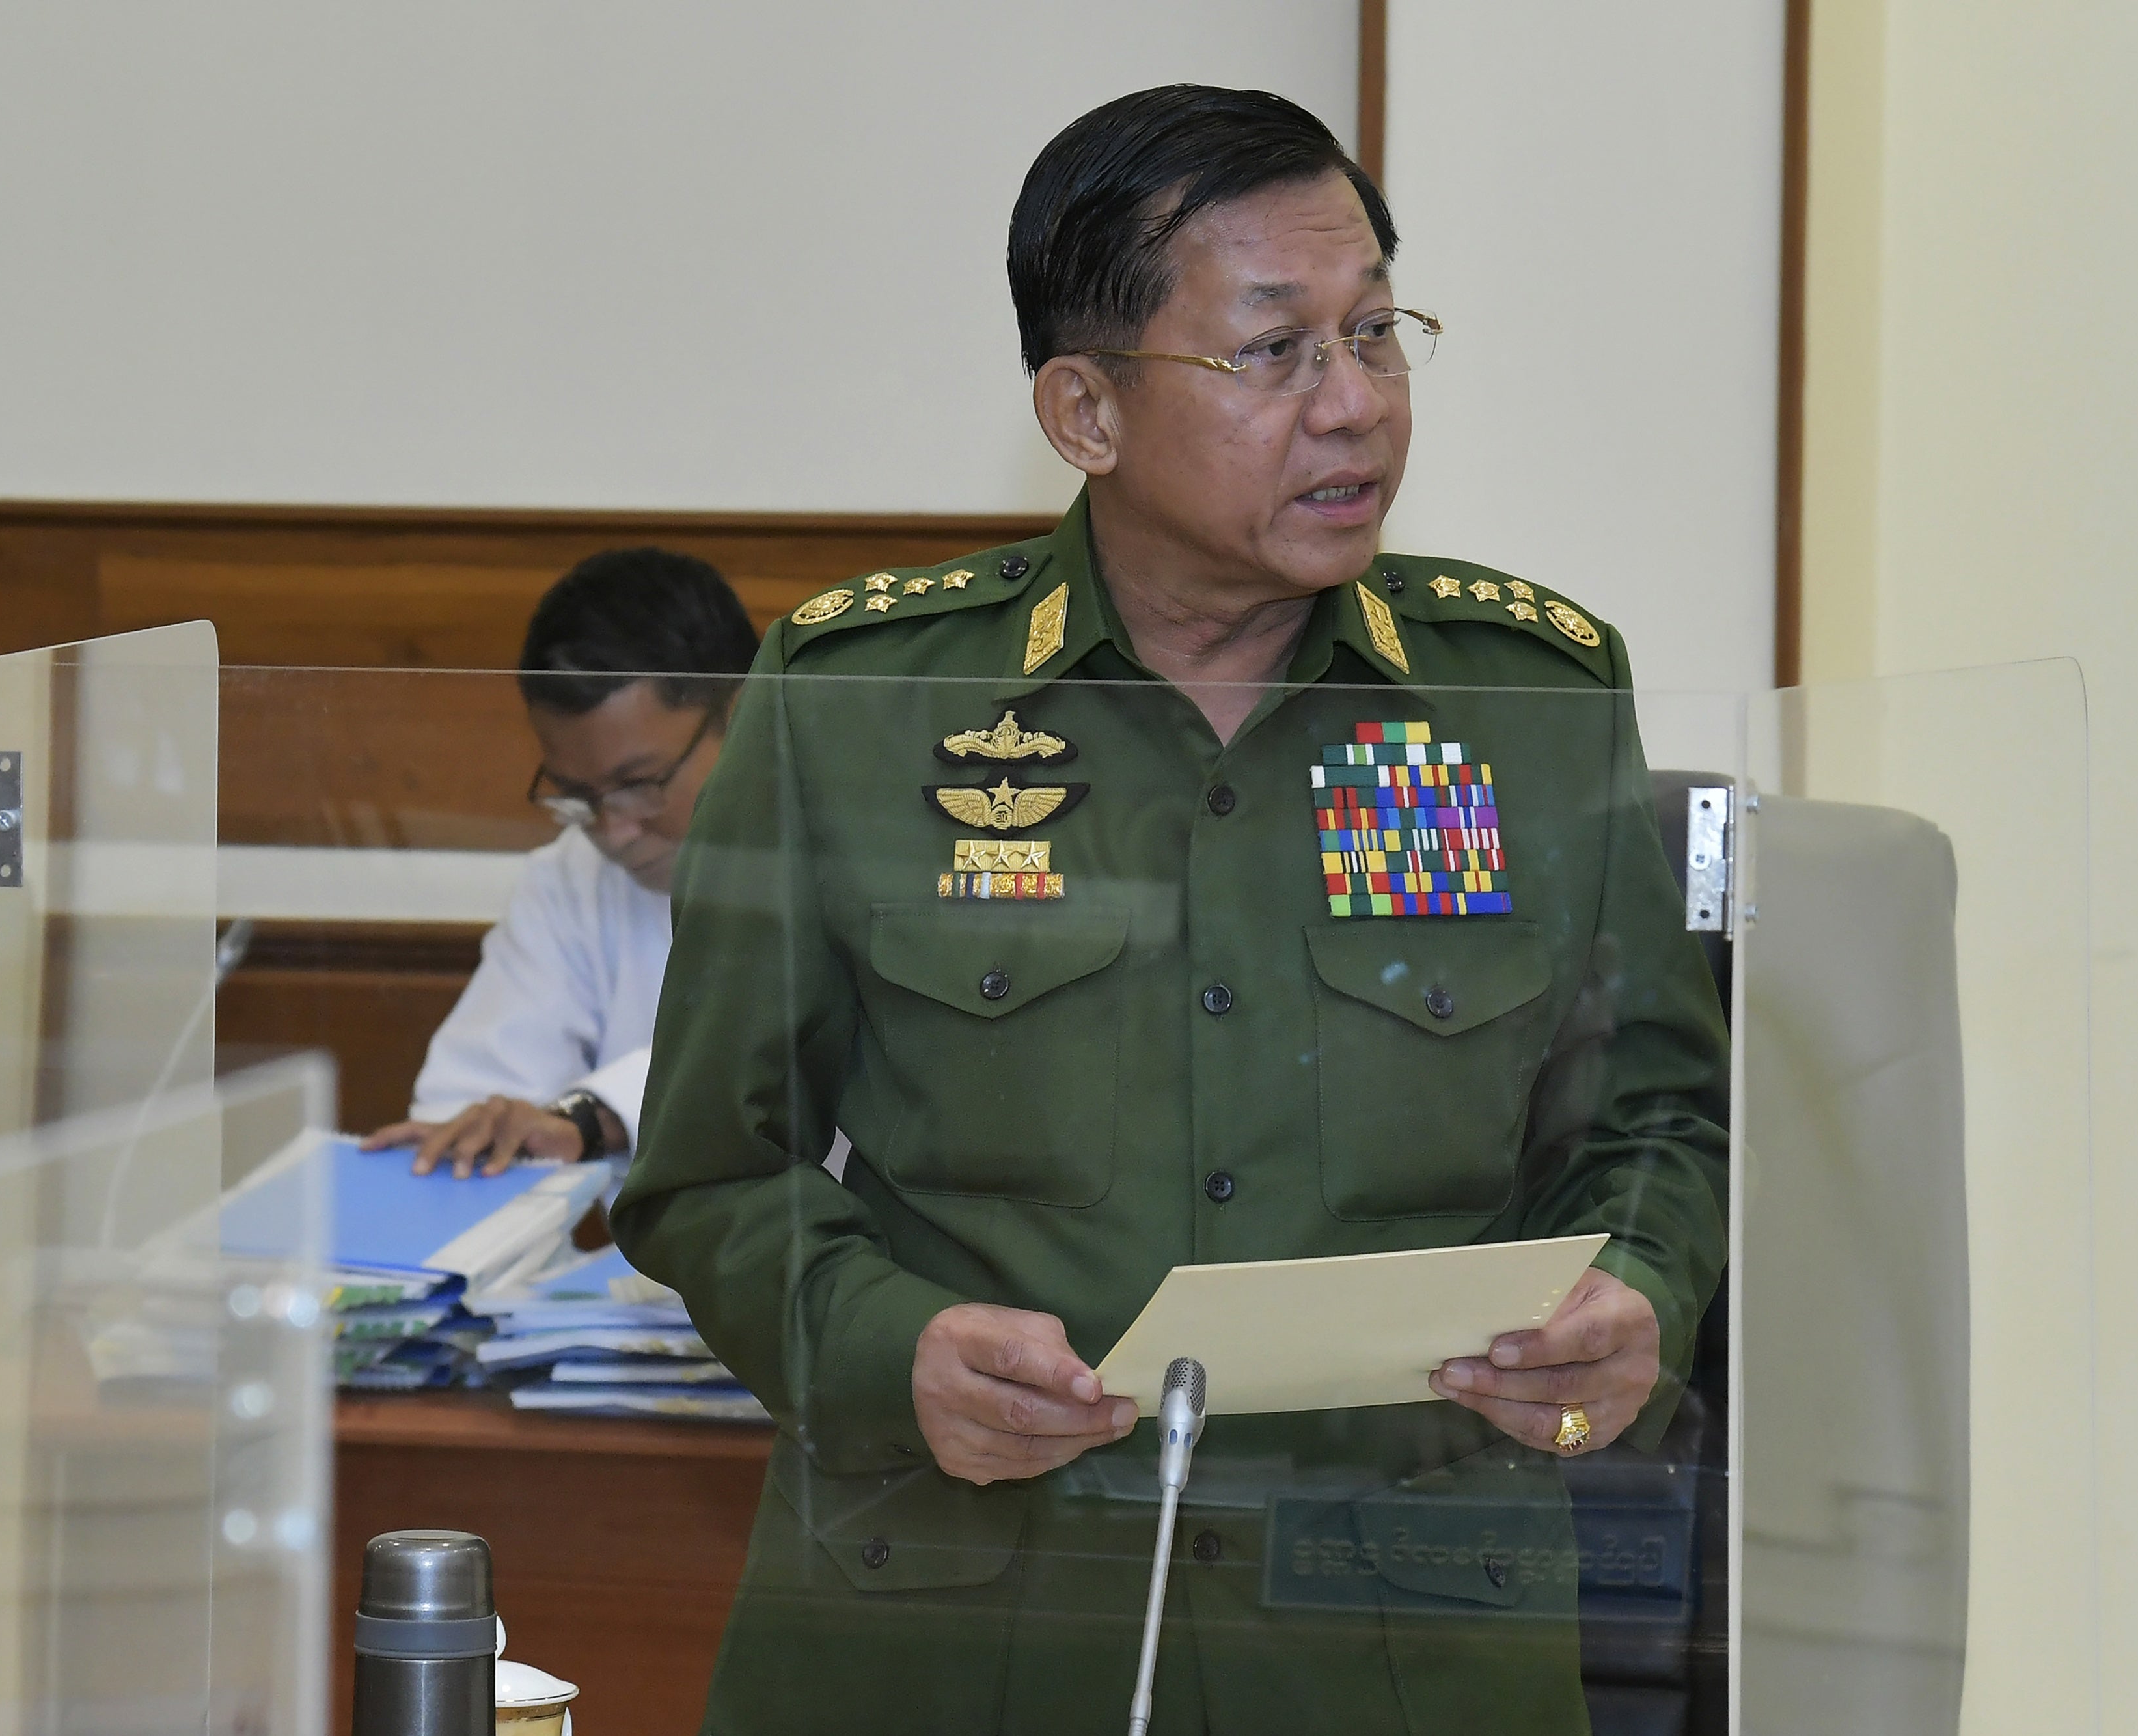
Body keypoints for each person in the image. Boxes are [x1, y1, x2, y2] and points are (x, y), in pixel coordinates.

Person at [614, 85, 1729, 1735]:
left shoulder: (1526, 698)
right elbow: (711, 1172)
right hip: (965, 1621)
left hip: (1392, 1632)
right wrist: (883, 1347)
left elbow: (1660, 1121)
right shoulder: (863, 697)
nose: (1353, 407)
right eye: (1272, 353)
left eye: (1378, 335)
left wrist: (1638, 1284)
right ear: (1084, 409)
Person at [363, 547, 759, 1177]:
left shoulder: (866, 853)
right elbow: (464, 1113)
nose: (615, 830)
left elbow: (777, 1053)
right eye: (577, 796)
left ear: (744, 716)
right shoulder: (571, 880)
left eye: (640, 783)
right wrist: (484, 1136)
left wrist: (591, 1115)